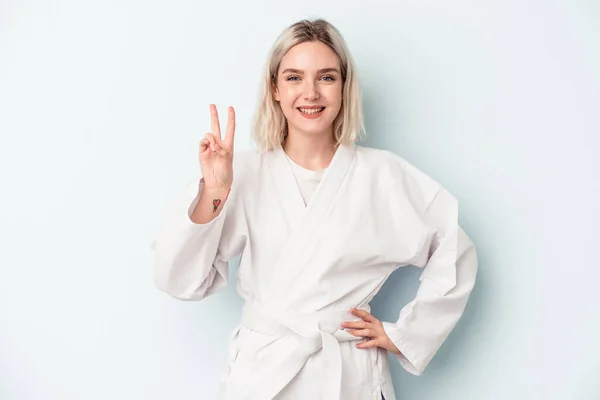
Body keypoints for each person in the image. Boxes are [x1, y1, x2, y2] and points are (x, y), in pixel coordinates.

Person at [152, 18, 478, 400]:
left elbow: (456, 248)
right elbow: (178, 280)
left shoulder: (383, 176)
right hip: (263, 375)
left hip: (347, 376)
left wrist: (407, 334)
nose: (310, 93)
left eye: (326, 77)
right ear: (274, 88)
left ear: (343, 87)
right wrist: (215, 189)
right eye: (293, 78)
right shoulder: (241, 173)